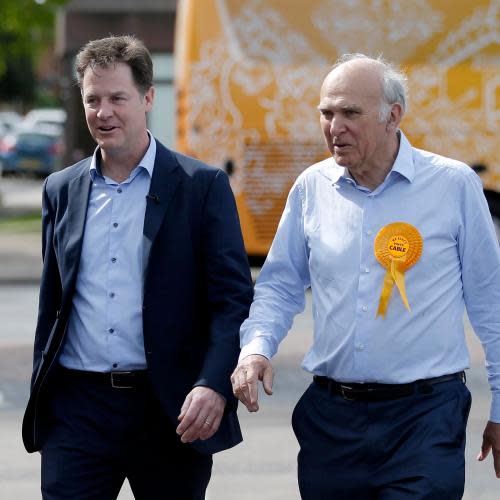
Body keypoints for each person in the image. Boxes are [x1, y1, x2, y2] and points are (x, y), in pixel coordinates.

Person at [231, 53, 500, 499]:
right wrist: (256, 349)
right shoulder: (311, 187)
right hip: (332, 420)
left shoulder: (453, 186)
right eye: (326, 112)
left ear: (393, 116)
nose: (335, 126)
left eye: (350, 113)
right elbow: (278, 285)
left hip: (425, 417)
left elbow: (491, 303)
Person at [22, 35, 253, 500]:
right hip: (76, 410)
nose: (103, 112)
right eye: (92, 99)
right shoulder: (60, 189)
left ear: (148, 97)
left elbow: (233, 301)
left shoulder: (201, 187)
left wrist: (212, 384)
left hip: (168, 408)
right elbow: (53, 304)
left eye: (117, 99)